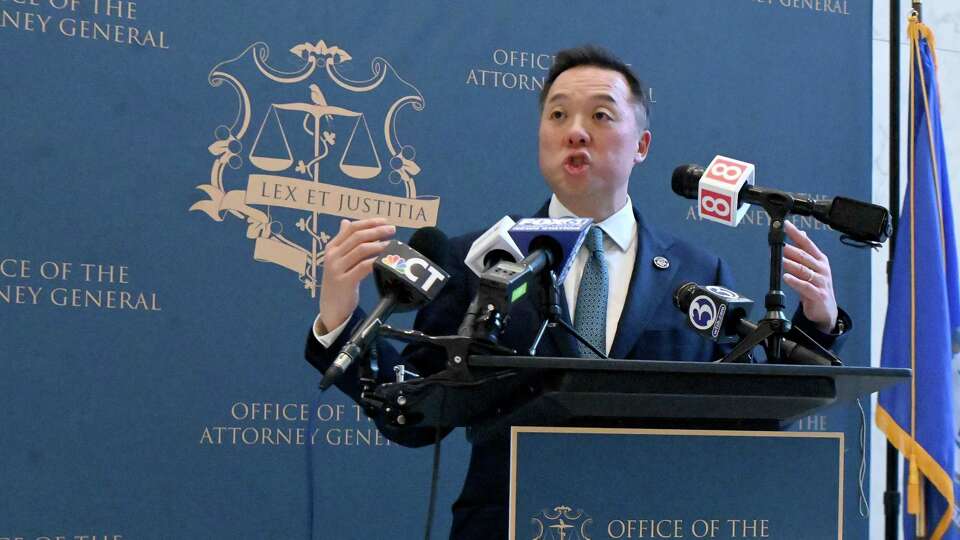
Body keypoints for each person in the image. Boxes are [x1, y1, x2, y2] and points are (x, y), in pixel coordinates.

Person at [304, 45, 850, 540]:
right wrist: (339, 317)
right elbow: (414, 415)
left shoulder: (697, 271)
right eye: (558, 114)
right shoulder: (481, 259)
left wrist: (814, 325)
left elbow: (753, 414)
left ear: (642, 145)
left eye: (601, 115)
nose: (576, 131)